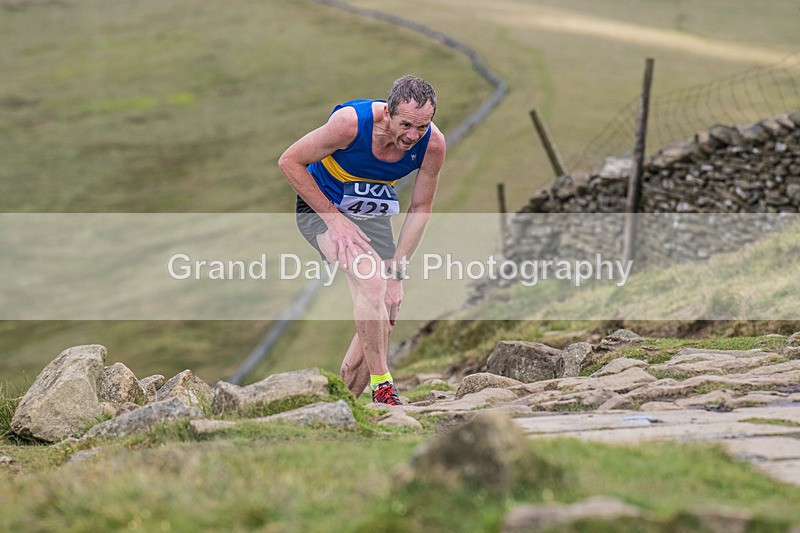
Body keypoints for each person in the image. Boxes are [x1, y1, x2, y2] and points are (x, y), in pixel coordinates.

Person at [278, 75, 446, 405]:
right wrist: (334, 220)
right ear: (388, 112)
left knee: (386, 303)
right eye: (406, 125)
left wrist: (398, 270)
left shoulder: (433, 146)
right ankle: (383, 386)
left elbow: (421, 207)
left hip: (371, 216)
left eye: (422, 127)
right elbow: (289, 161)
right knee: (370, 281)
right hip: (322, 207)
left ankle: (346, 405)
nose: (412, 136)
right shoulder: (349, 125)